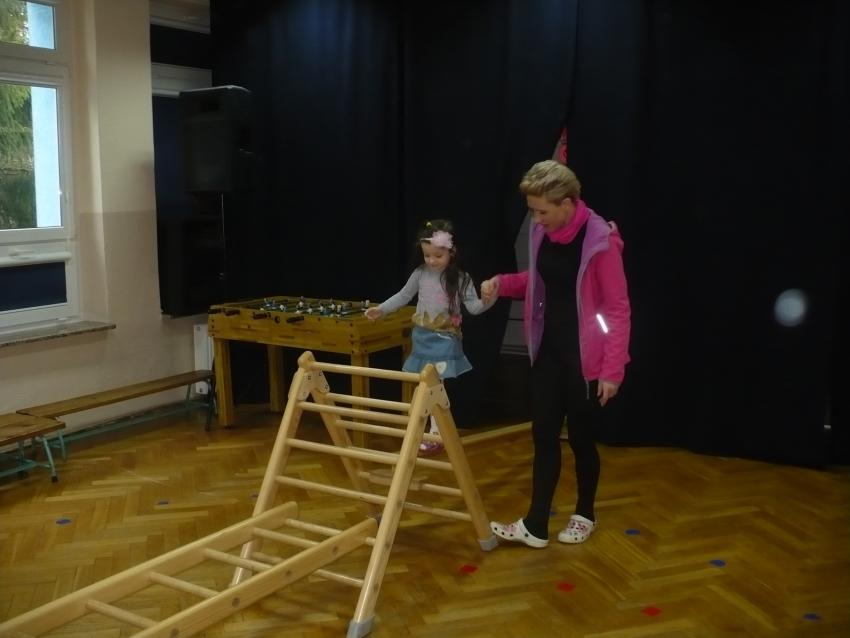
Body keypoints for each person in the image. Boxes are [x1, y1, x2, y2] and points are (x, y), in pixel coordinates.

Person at [481, 160, 630, 546]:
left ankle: (585, 513)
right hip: (548, 351)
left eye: (542, 211)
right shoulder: (542, 233)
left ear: (567, 203)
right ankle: (535, 525)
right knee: (543, 434)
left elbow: (618, 308)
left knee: (580, 438)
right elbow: (539, 281)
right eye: (532, 211)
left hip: (586, 360)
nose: (536, 219)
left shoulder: (600, 241)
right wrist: (503, 283)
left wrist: (612, 370)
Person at [365, 219, 495, 454]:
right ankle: (435, 429)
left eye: (438, 255)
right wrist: (381, 309)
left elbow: (474, 308)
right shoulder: (420, 274)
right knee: (428, 384)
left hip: (445, 339)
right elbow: (403, 296)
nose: (432, 261)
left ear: (451, 252)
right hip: (422, 336)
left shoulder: (461, 278)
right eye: (427, 255)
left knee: (434, 384)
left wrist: (489, 299)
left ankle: (435, 432)